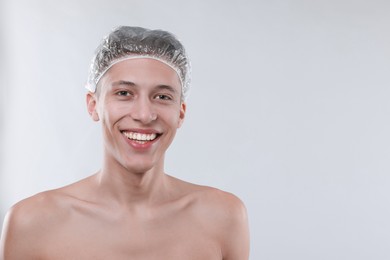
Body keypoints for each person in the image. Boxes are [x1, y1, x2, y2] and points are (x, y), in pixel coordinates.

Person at [0, 26, 250, 259]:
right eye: (124, 93)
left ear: (180, 113)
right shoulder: (32, 223)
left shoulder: (223, 217)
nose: (144, 114)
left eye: (162, 96)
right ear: (93, 104)